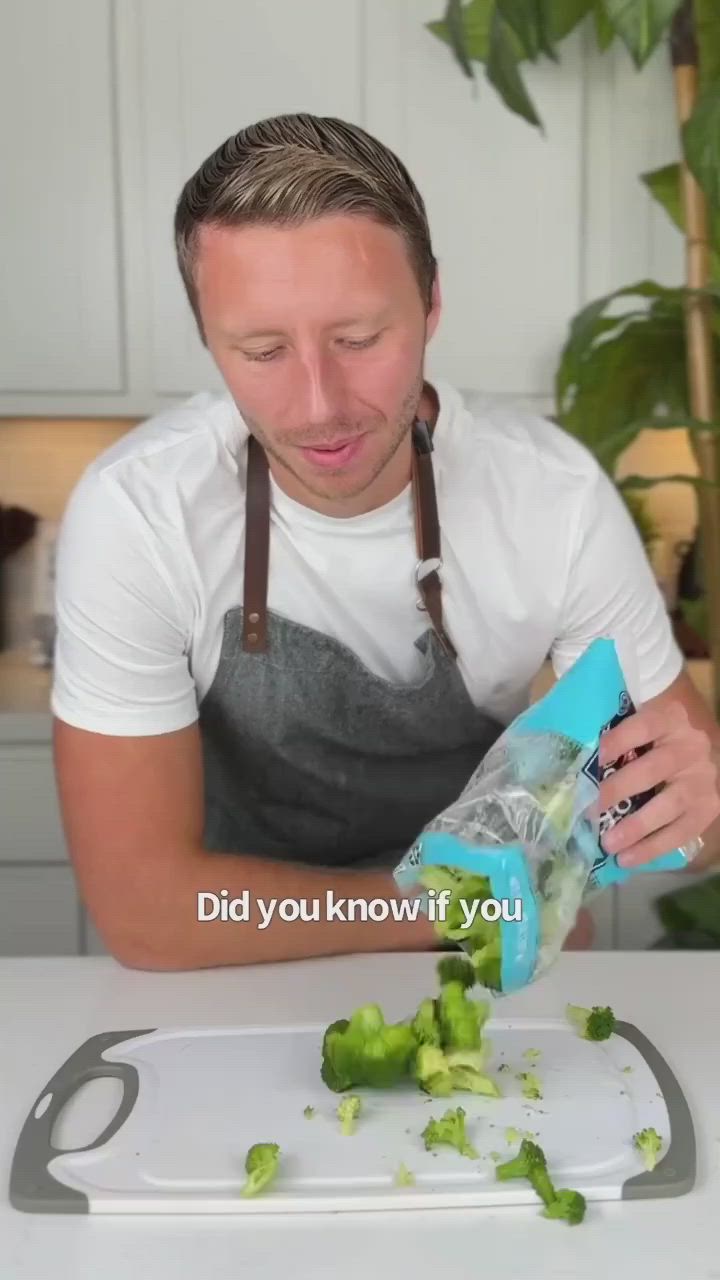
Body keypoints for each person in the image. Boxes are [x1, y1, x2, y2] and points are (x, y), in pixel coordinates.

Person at [51, 113, 720, 971]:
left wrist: (693, 811)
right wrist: (470, 903)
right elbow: (147, 912)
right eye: (260, 351)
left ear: (433, 301)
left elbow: (692, 827)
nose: (319, 404)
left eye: (359, 340)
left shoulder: (554, 502)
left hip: (488, 980)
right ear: (205, 337)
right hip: (229, 971)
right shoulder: (139, 515)